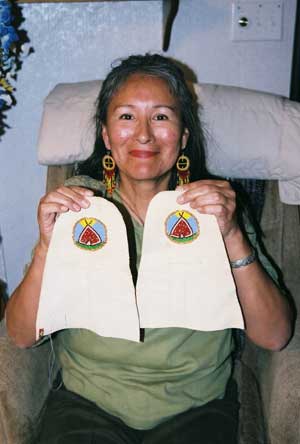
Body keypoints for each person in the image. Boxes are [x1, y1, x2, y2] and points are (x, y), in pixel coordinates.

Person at [6, 54, 292, 444]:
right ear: (106, 136)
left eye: (160, 117)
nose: (143, 134)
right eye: (126, 117)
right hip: (87, 405)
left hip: (196, 408)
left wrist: (232, 236)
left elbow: (275, 335)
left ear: (183, 136)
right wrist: (45, 248)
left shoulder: (216, 208)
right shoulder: (79, 209)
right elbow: (22, 335)